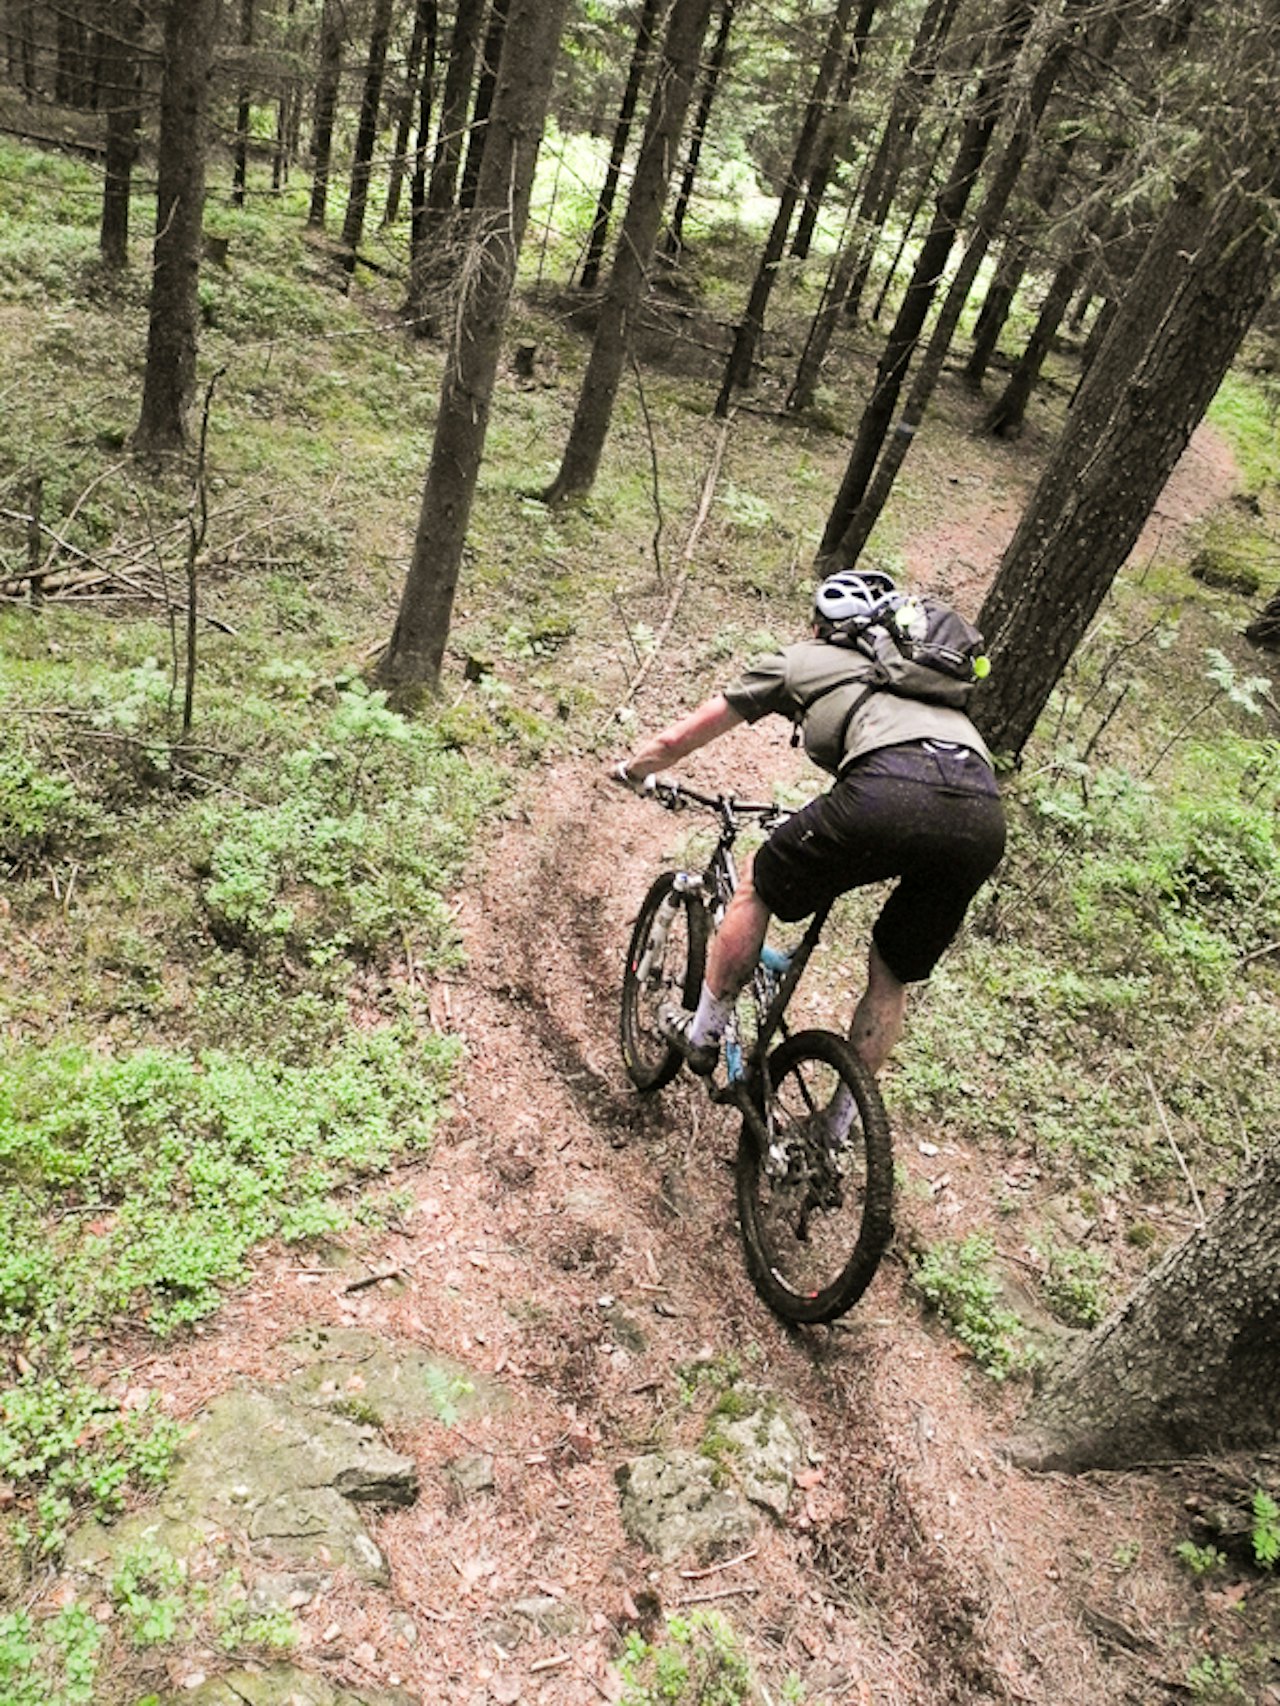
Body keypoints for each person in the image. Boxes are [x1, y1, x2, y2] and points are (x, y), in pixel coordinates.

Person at [613, 570, 1006, 1081]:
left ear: (821, 626)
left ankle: (703, 1036)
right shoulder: (930, 690)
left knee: (757, 885)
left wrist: (633, 770)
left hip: (883, 796)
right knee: (891, 974)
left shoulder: (803, 660)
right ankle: (845, 1118)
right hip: (981, 816)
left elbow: (682, 737)